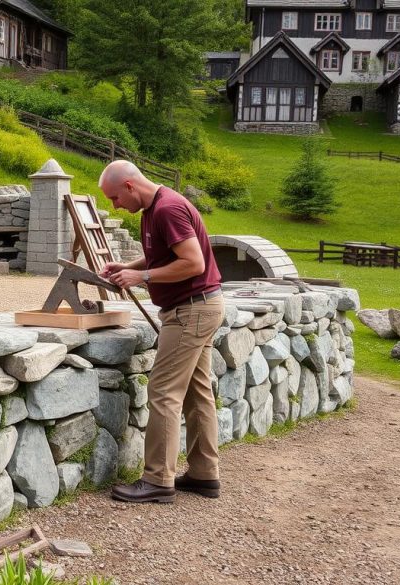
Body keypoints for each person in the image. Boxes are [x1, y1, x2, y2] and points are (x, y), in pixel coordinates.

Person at [97, 160, 224, 504]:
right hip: (199, 307)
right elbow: (165, 255)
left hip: (191, 310)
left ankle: (157, 480)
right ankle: (203, 474)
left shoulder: (167, 209)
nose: (115, 206)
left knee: (164, 390)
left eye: (114, 198)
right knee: (197, 393)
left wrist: (143, 278)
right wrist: (130, 266)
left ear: (129, 186)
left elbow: (193, 263)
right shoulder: (153, 209)